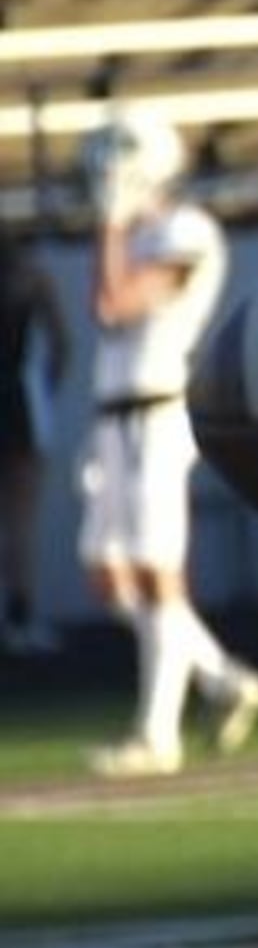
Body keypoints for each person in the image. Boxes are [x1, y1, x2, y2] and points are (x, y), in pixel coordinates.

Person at [77, 111, 258, 776]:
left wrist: (110, 224)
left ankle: (157, 734)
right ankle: (221, 678)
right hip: (112, 419)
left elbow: (114, 303)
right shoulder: (137, 233)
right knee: (108, 574)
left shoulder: (186, 231)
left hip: (157, 414)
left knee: (158, 575)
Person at [3, 224, 68, 655]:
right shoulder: (31, 277)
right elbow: (62, 344)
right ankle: (20, 617)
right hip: (22, 400)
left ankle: (18, 617)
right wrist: (45, 389)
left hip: (22, 398)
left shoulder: (31, 277)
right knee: (21, 518)